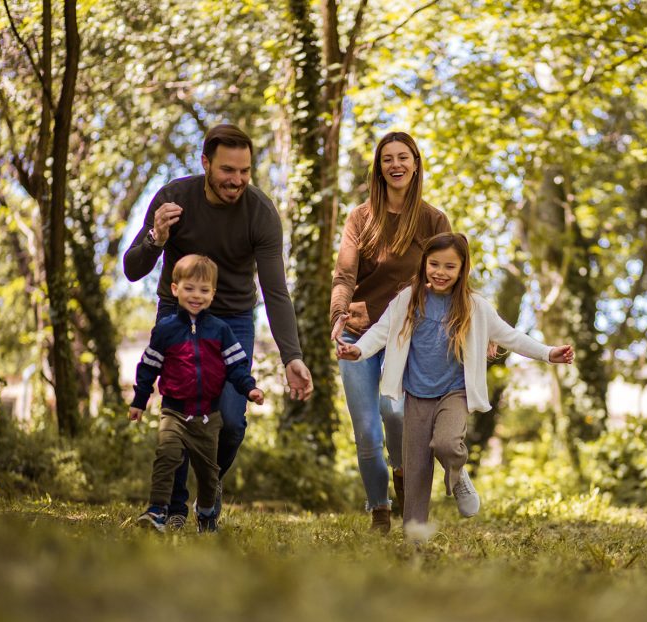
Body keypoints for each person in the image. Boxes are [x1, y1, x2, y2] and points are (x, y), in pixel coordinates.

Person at [124, 124, 312, 530]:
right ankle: (172, 509)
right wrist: (156, 236)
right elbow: (132, 269)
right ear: (205, 163)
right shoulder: (174, 197)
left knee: (231, 420)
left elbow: (276, 292)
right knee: (178, 411)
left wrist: (291, 357)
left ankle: (209, 489)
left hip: (232, 319)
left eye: (245, 171)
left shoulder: (260, 212)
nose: (237, 180)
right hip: (176, 313)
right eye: (228, 170)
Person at [338, 232, 575, 527]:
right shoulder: (408, 299)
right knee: (415, 471)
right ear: (424, 263)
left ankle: (458, 473)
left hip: (454, 392)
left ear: (463, 269)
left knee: (447, 445)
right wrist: (358, 350)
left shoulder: (475, 307)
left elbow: (510, 336)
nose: (440, 272)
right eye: (434, 264)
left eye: (450, 267)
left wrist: (548, 353)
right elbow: (380, 331)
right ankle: (414, 535)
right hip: (415, 394)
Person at [331, 131, 451, 533]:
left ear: (415, 164)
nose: (395, 165)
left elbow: (450, 276)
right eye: (387, 159)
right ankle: (379, 511)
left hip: (407, 335)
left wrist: (470, 326)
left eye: (403, 157)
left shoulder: (433, 220)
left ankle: (403, 472)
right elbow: (345, 274)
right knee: (365, 430)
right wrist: (338, 315)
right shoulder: (360, 218)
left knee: (394, 410)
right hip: (360, 335)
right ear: (379, 169)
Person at [129, 255, 265, 533]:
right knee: (166, 455)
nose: (196, 296)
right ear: (175, 288)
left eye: (204, 290)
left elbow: (236, 366)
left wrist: (249, 388)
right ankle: (157, 510)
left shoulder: (221, 330)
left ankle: (205, 512)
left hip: (208, 416)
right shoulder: (166, 329)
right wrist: (139, 401)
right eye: (189, 288)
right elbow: (148, 367)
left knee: (208, 474)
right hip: (174, 411)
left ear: (213, 294)